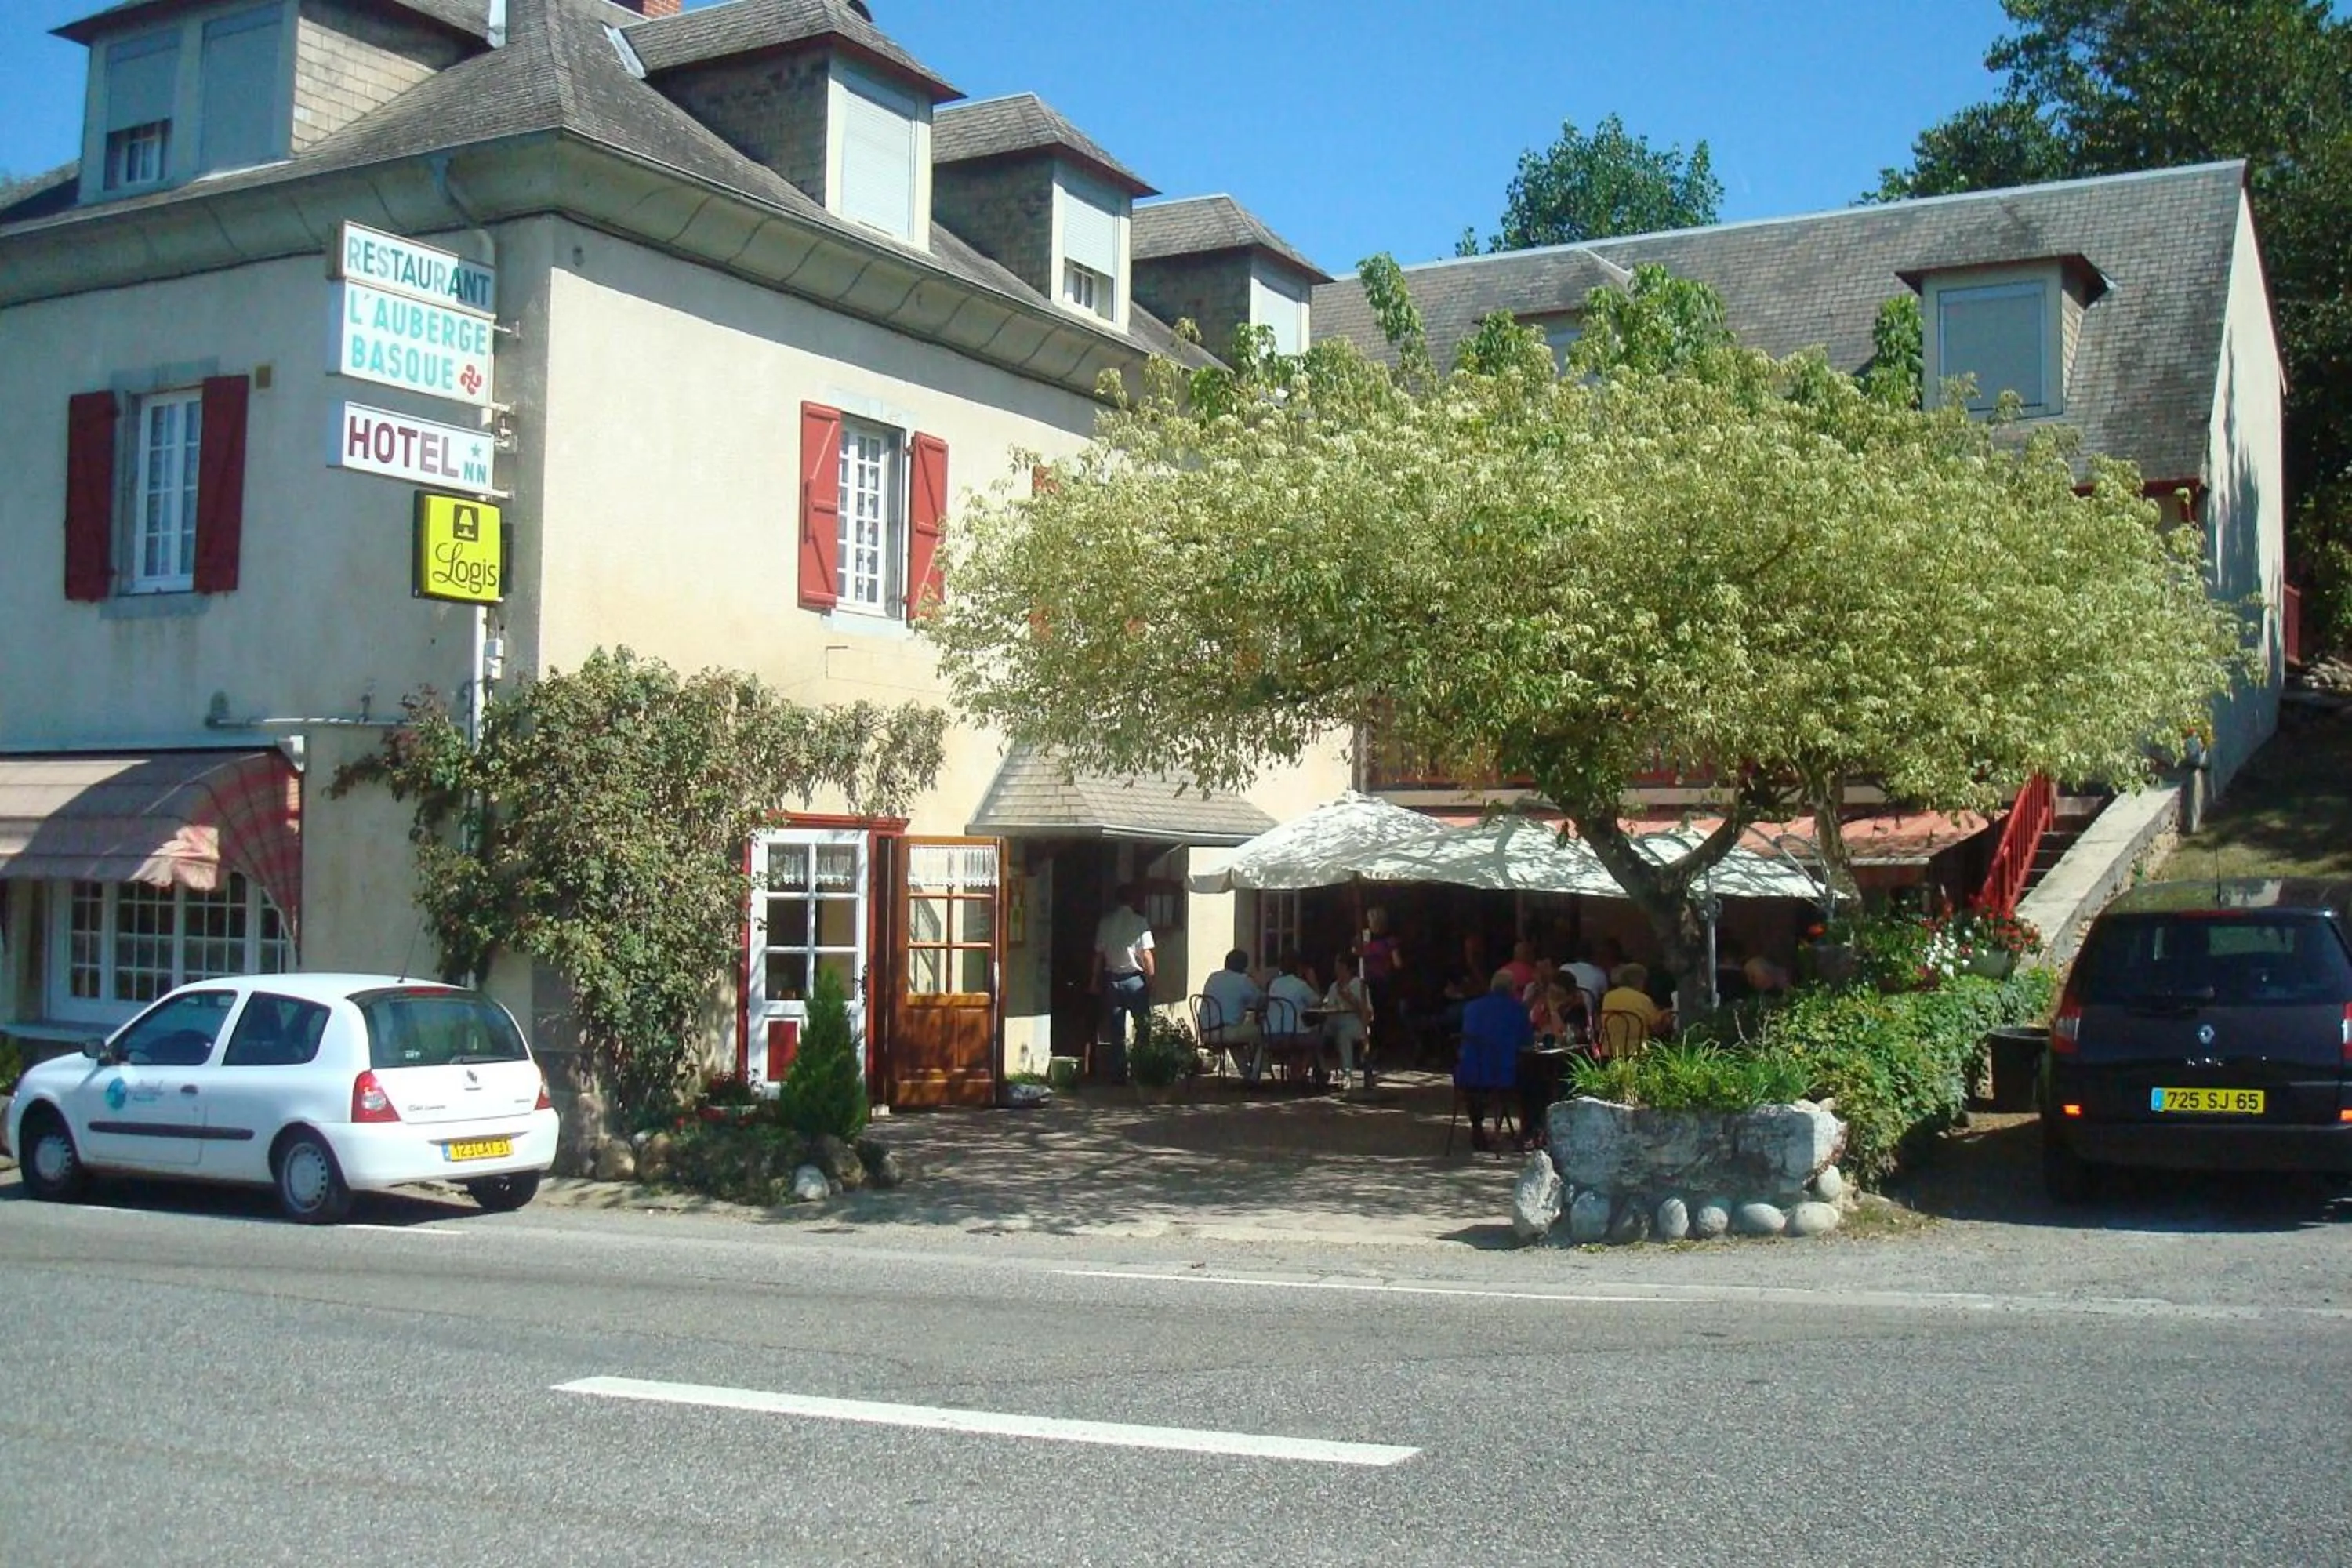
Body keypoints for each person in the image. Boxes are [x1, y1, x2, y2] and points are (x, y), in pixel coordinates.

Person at [1456, 972, 1533, 1153]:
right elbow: (1527, 1043)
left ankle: (1477, 1126)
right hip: (1503, 1074)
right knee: (1535, 1081)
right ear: (1513, 989)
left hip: (1469, 1073)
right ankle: (1530, 1130)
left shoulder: (1471, 1008)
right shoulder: (1518, 1010)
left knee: (1475, 1074)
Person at [1090, 883, 1155, 1083]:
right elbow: (1146, 954)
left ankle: (1119, 1073)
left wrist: (1094, 981)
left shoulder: (1106, 923)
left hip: (1112, 979)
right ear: (1133, 900)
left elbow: (1099, 956)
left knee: (1116, 1029)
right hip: (1135, 979)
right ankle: (1140, 1069)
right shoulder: (1139, 922)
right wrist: (1151, 980)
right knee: (1143, 1026)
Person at [1254, 950, 1323, 1084]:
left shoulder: (1274, 984)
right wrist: (1313, 982)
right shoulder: (1301, 985)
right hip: (1292, 1036)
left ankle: (1296, 1071)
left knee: (1298, 1033)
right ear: (1299, 967)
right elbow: (1317, 1002)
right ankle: (1301, 1072)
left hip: (1271, 1034)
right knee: (1316, 1035)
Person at [1199, 948, 1263, 1072]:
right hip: (1227, 1032)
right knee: (1265, 1034)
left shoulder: (1213, 977)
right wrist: (1255, 980)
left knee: (1236, 1037)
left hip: (1206, 1032)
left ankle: (1246, 1073)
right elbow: (1260, 1000)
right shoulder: (1243, 980)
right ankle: (1255, 1076)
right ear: (1244, 966)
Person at [1321, 953, 1375, 1091]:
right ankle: (1322, 1071)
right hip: (1335, 1020)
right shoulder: (1334, 986)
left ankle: (1348, 1074)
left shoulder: (1359, 985)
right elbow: (1329, 1007)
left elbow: (1368, 1013)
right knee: (1317, 1033)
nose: (1337, 970)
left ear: (1348, 968)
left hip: (1355, 1022)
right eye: (1336, 967)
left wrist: (1349, 998)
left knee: (1343, 1035)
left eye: (1340, 967)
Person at [1596, 961, 1670, 1055]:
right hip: (1637, 1050)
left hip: (1609, 1050)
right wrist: (1665, 1014)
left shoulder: (1608, 997)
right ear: (1641, 981)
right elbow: (1656, 1028)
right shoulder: (1643, 999)